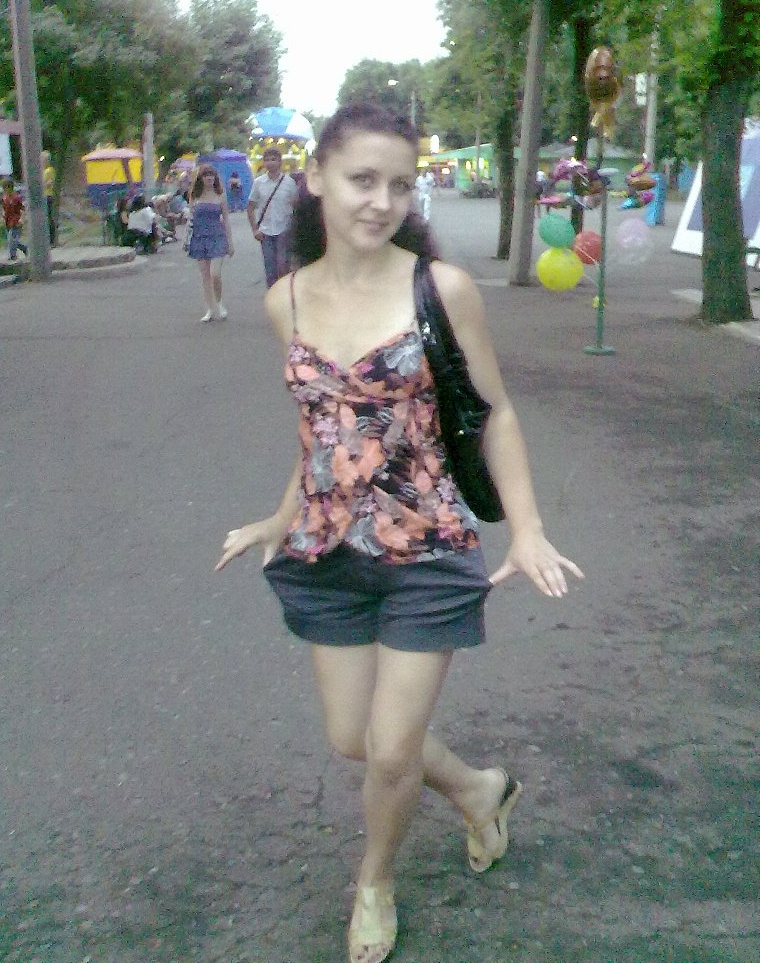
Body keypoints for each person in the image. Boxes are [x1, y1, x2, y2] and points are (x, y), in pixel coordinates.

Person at [215, 103, 584, 963]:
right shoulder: (283, 300)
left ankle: (374, 884)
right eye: (362, 179)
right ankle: (480, 789)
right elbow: (324, 431)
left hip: (427, 549)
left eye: (399, 184)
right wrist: (278, 516)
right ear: (316, 179)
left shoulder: (441, 289)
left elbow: (494, 413)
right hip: (325, 552)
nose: (381, 201)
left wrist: (527, 530)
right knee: (355, 739)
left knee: (389, 754)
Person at [188, 163, 234, 322]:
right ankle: (210, 308)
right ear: (200, 178)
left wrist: (230, 242)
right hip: (199, 237)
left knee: (215, 274)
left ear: (215, 178)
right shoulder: (195, 196)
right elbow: (190, 219)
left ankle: (219, 303)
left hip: (217, 236)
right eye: (206, 175)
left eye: (211, 175)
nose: (209, 178)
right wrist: (187, 240)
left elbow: (226, 220)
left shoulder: (220, 195)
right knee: (205, 276)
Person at [247, 146, 298, 288]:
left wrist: (295, 229)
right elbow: (250, 207)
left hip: (284, 230)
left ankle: (285, 294)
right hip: (265, 231)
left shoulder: (289, 183)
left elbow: (296, 207)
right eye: (267, 160)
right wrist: (254, 229)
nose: (270, 163)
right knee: (270, 270)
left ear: (280, 162)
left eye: (273, 159)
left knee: (283, 266)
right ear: (263, 163)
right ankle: (272, 295)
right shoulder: (259, 183)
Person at [0, 177, 27, 260]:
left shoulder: (16, 198)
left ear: (10, 187)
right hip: (8, 221)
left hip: (15, 221)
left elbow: (22, 208)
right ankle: (25, 248)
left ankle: (13, 256)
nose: (4, 190)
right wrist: (3, 215)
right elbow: (4, 208)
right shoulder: (4, 198)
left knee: (11, 239)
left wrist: (22, 219)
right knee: (13, 240)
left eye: (5, 188)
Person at [41, 151, 56, 245]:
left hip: (48, 195)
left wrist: (42, 185)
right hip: (42, 196)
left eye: (43, 160)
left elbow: (50, 182)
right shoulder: (42, 171)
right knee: (43, 217)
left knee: (48, 217)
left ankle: (51, 240)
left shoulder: (49, 170)